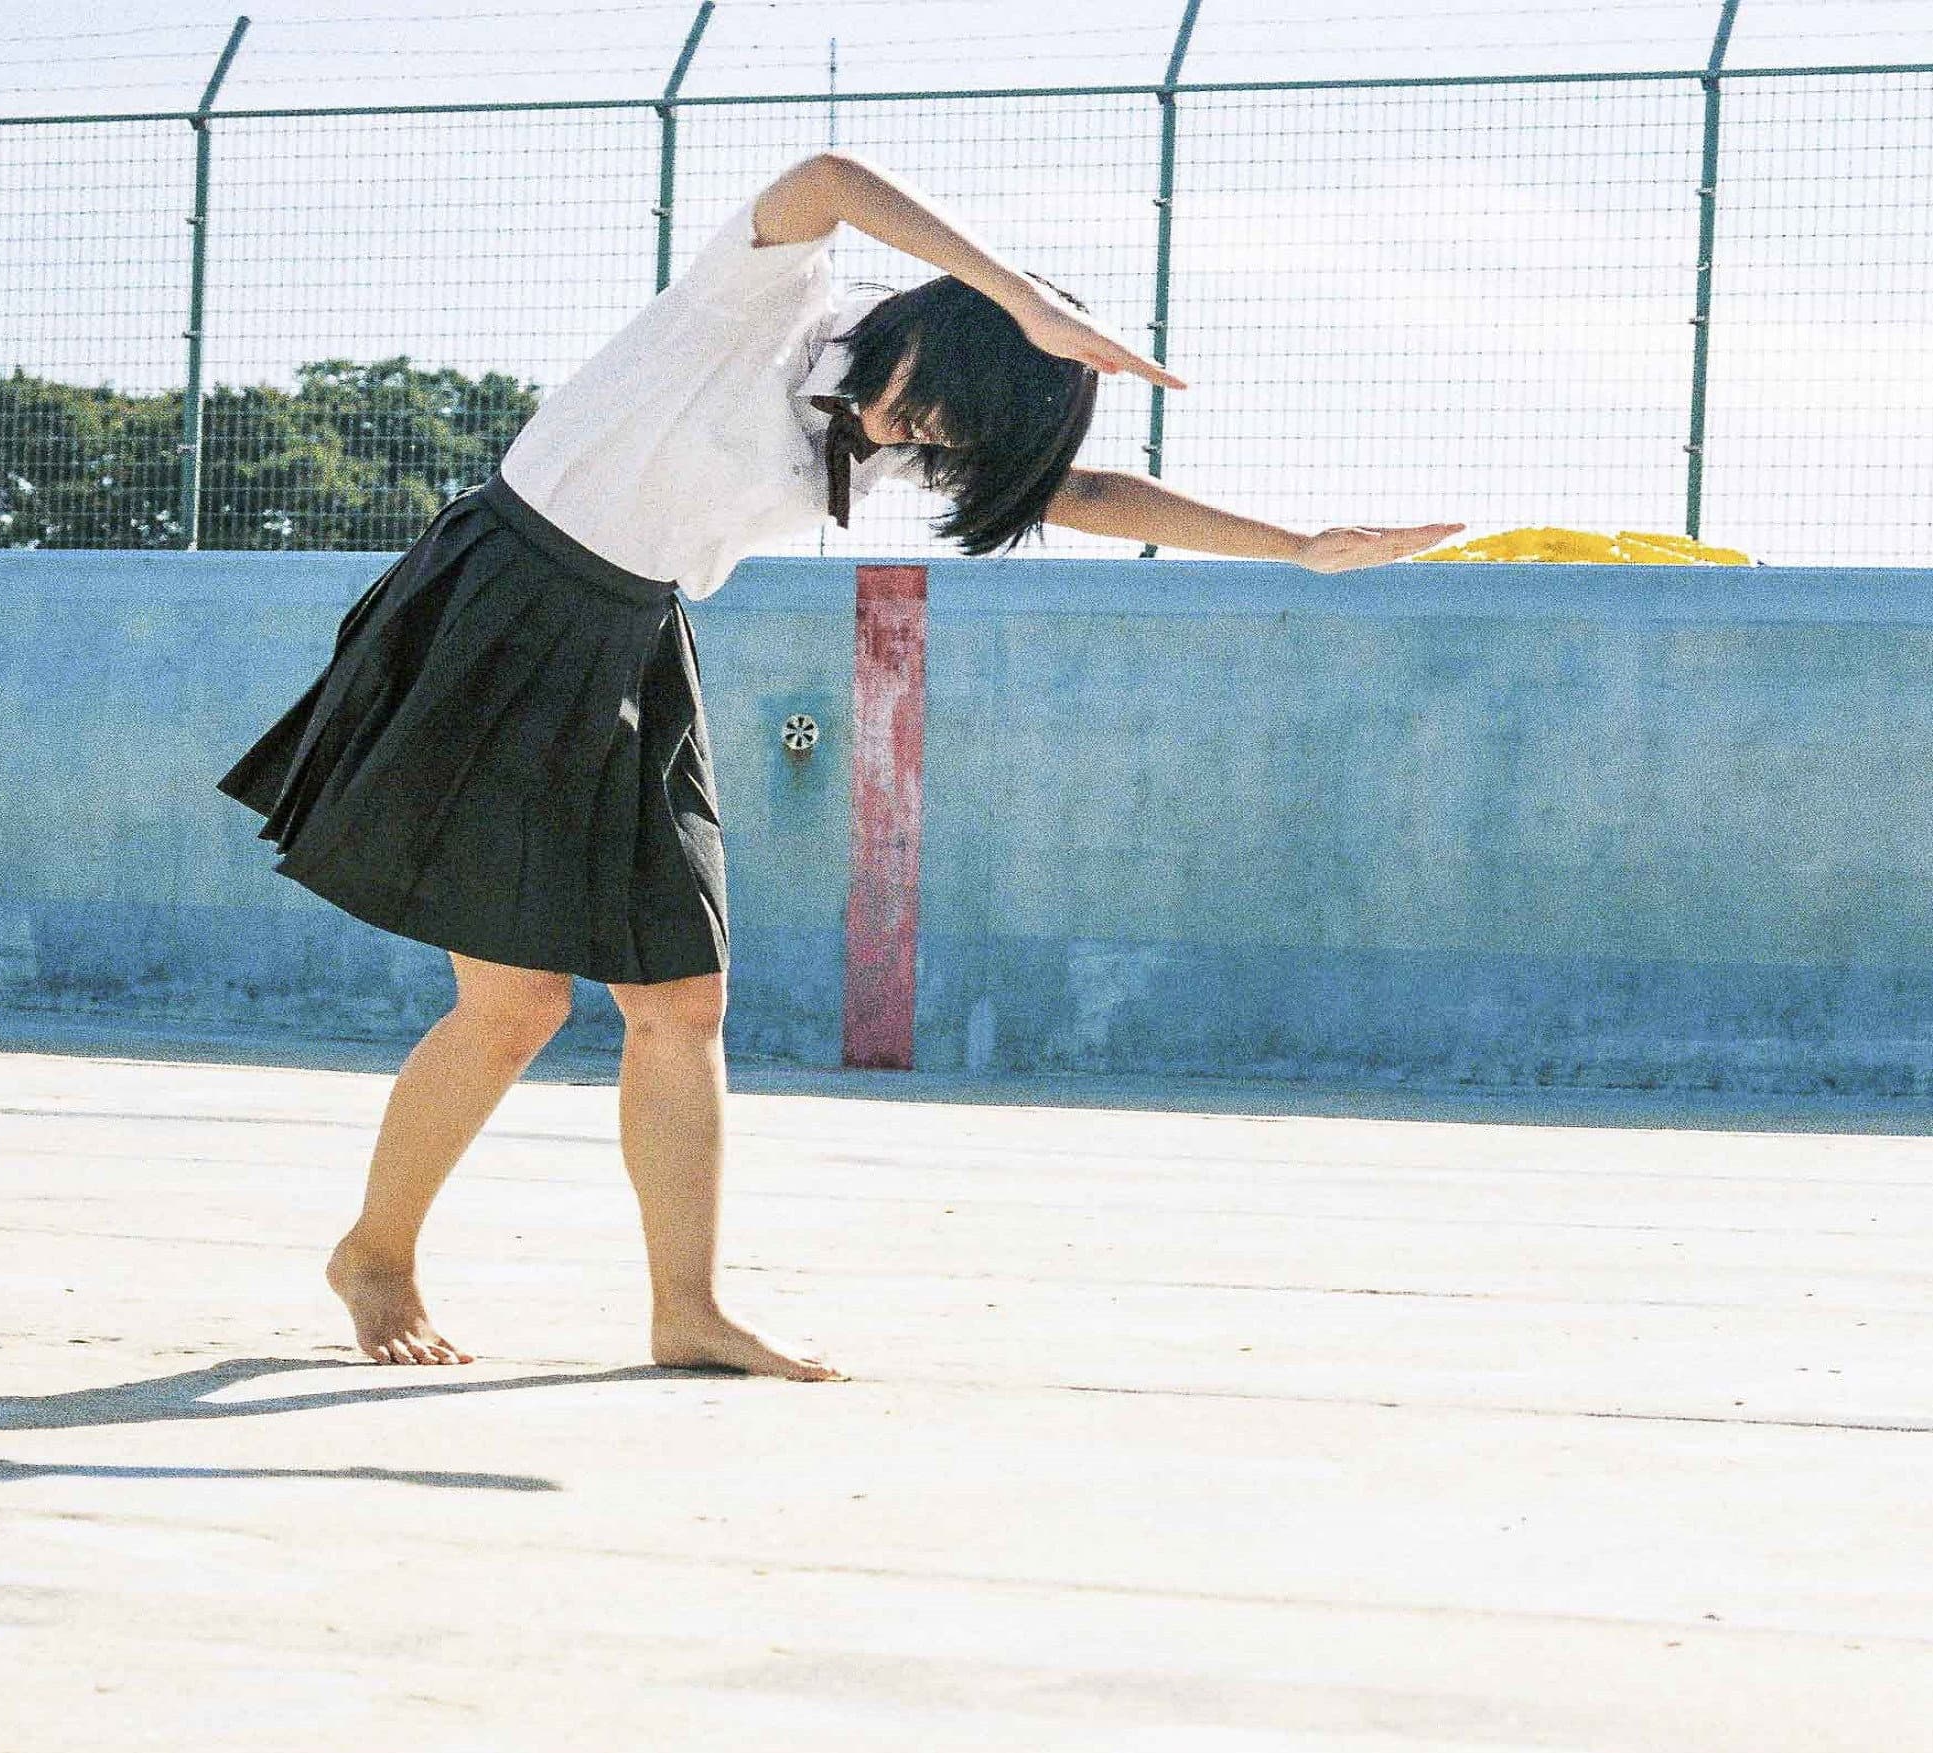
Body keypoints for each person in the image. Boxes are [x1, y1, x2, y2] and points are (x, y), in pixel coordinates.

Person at [220, 152, 1461, 1379]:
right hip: (499, 611)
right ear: (921, 325)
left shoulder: (885, 440)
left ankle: (689, 1311)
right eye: (931, 403)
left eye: (957, 432)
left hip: (635, 642)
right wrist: (1023, 298)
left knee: (682, 1000)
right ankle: (376, 1257)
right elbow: (825, 175)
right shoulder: (761, 306)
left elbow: (1085, 490)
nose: (925, 435)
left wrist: (1297, 546)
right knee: (519, 1004)